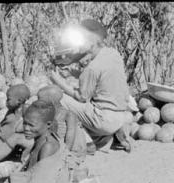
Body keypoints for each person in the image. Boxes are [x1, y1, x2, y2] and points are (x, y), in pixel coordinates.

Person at [49, 19, 132, 152]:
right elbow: (101, 76)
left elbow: (82, 97)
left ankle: (87, 142)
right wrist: (75, 73)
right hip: (121, 116)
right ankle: (113, 136)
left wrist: (59, 81)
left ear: (92, 42)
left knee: (59, 99)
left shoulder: (91, 68)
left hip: (103, 120)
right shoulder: (113, 54)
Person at [37, 85, 87, 154]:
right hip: (48, 141)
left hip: (60, 145)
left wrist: (65, 152)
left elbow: (70, 136)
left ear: (51, 101)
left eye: (40, 99)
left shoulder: (68, 114)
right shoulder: (45, 111)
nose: (37, 101)